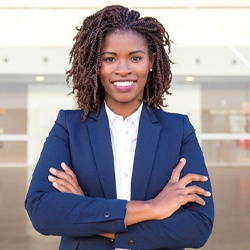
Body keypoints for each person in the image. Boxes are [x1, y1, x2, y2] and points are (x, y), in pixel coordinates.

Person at [25, 5, 214, 250]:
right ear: (96, 64)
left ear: (151, 62)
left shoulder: (178, 130)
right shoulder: (70, 127)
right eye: (109, 58)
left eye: (135, 58)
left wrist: (88, 213)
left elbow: (197, 228)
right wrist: (153, 208)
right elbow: (42, 211)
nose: (123, 69)